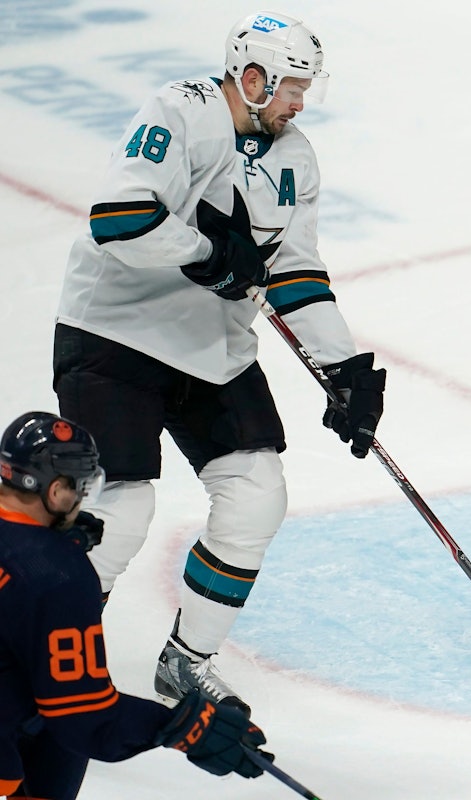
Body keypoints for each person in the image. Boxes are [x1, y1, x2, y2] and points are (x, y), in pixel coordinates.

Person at [52, 11, 386, 715]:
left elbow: (293, 271)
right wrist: (205, 255)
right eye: (293, 86)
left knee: (257, 494)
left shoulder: (295, 159)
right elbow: (117, 219)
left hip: (213, 350)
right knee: (124, 508)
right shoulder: (181, 110)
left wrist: (345, 366)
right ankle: (38, 655)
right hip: (117, 335)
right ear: (253, 76)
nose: (301, 101)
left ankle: (186, 661)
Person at [0, 411, 271, 800]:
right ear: (56, 492)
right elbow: (85, 719)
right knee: (59, 721)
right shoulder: (59, 577)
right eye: (79, 489)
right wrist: (187, 725)